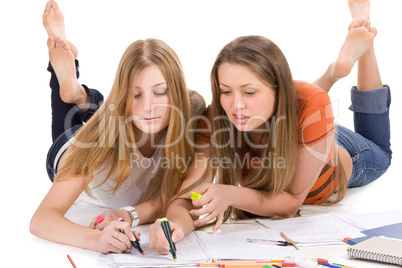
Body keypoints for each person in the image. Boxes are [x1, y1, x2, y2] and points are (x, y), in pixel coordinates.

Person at [185, 0, 391, 232]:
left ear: (279, 89)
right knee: (310, 105)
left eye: (249, 92)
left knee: (381, 152)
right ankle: (332, 73)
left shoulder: (311, 106)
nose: (236, 105)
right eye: (225, 91)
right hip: (306, 124)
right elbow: (191, 185)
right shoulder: (217, 116)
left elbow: (291, 203)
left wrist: (230, 193)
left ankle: (365, 48)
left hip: (347, 152)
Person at [30, 0, 205, 254]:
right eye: (136, 95)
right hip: (71, 148)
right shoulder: (97, 141)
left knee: (107, 110)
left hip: (114, 115)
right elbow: (41, 220)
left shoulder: (192, 112)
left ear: (176, 91)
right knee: (72, 130)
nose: (149, 107)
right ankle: (67, 83)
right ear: (125, 97)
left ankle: (82, 94)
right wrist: (96, 240)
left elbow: (178, 193)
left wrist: (129, 214)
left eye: (160, 92)